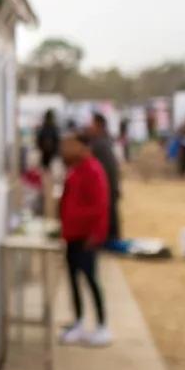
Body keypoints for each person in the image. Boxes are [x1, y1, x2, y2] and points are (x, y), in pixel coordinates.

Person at [59, 128, 111, 346]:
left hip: (86, 236)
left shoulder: (93, 170)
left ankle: (101, 325)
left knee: (90, 279)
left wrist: (96, 234)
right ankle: (79, 321)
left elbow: (100, 206)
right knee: (73, 279)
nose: (66, 149)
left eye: (71, 144)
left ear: (83, 146)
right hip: (72, 234)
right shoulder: (75, 169)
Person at [90, 111, 121, 243]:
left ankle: (111, 240)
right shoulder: (105, 140)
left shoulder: (100, 143)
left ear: (98, 125)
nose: (90, 127)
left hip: (108, 183)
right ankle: (111, 239)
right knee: (110, 211)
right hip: (110, 182)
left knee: (109, 212)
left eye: (92, 124)